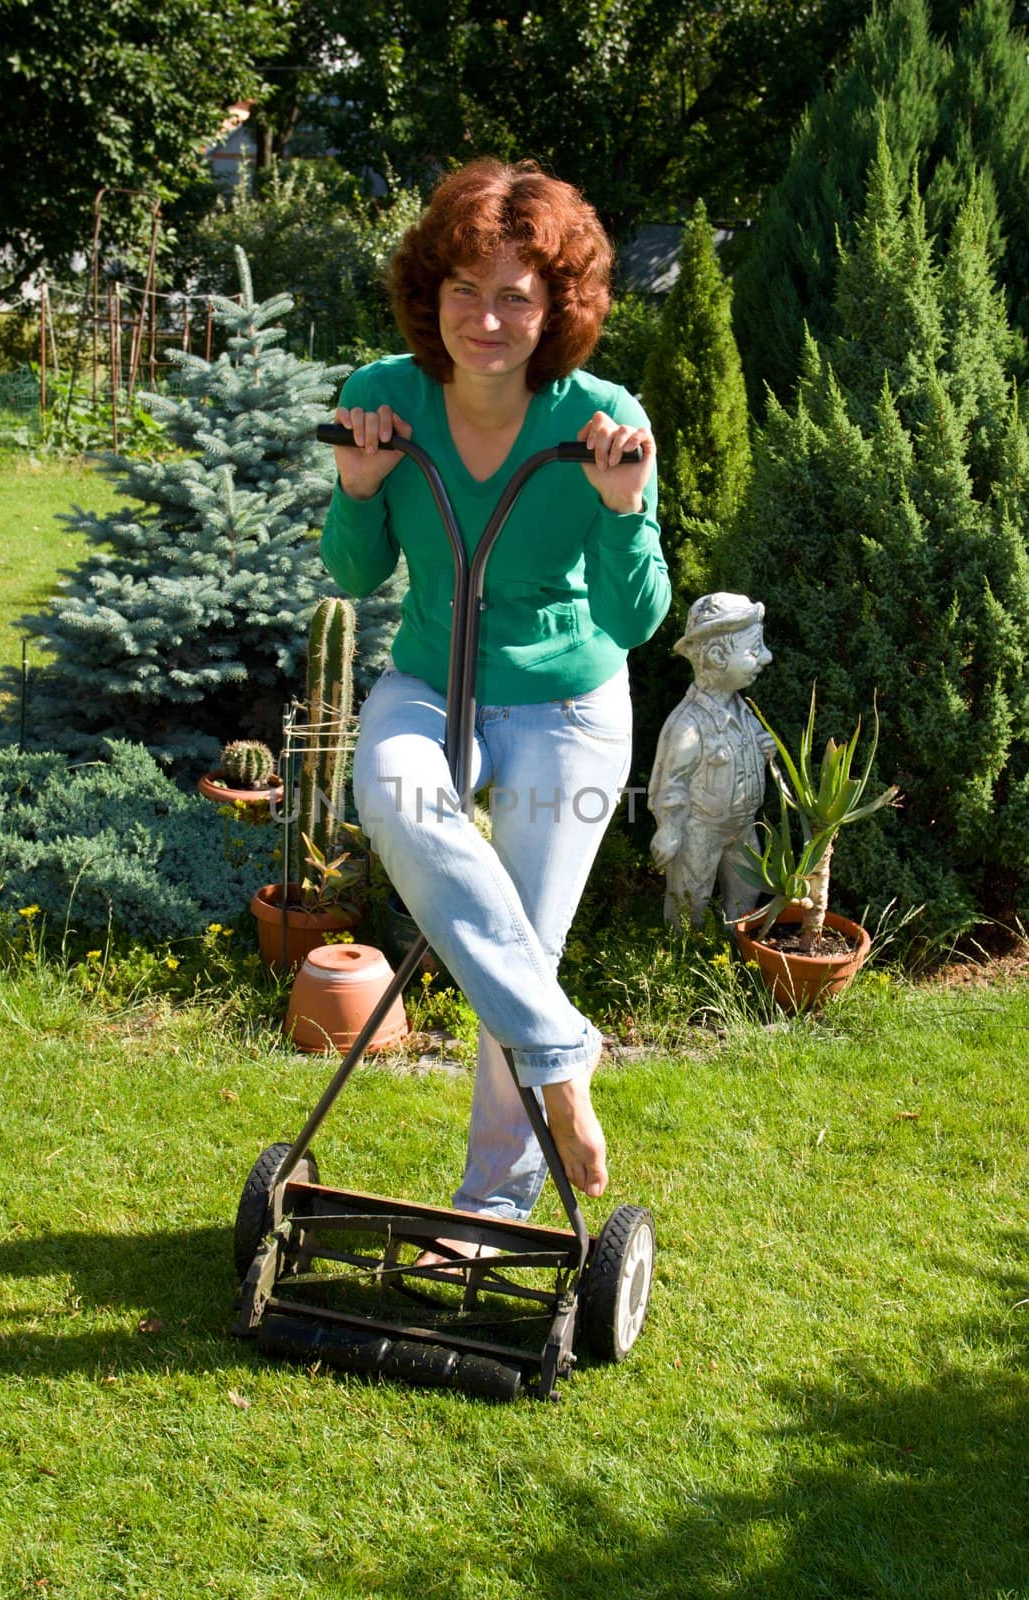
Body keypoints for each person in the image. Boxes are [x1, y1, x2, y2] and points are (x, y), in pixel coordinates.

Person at [319, 158, 670, 1251]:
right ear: (429, 293)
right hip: (431, 681)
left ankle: (489, 1206)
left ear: (555, 306)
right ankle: (564, 1057)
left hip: (567, 704)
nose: (486, 317)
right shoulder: (387, 393)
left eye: (516, 293)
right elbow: (349, 572)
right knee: (394, 792)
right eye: (464, 288)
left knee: (514, 939)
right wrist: (359, 487)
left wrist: (620, 508)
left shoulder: (601, 419)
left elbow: (637, 614)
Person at [648, 593, 774, 926]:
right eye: (754, 650)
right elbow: (669, 780)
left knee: (748, 890)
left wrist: (763, 747)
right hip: (700, 828)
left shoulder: (743, 711)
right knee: (690, 895)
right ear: (717, 655)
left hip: (744, 826)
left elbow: (748, 747)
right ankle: (683, 952)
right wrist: (669, 827)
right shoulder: (688, 725)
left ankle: (737, 943)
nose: (766, 657)